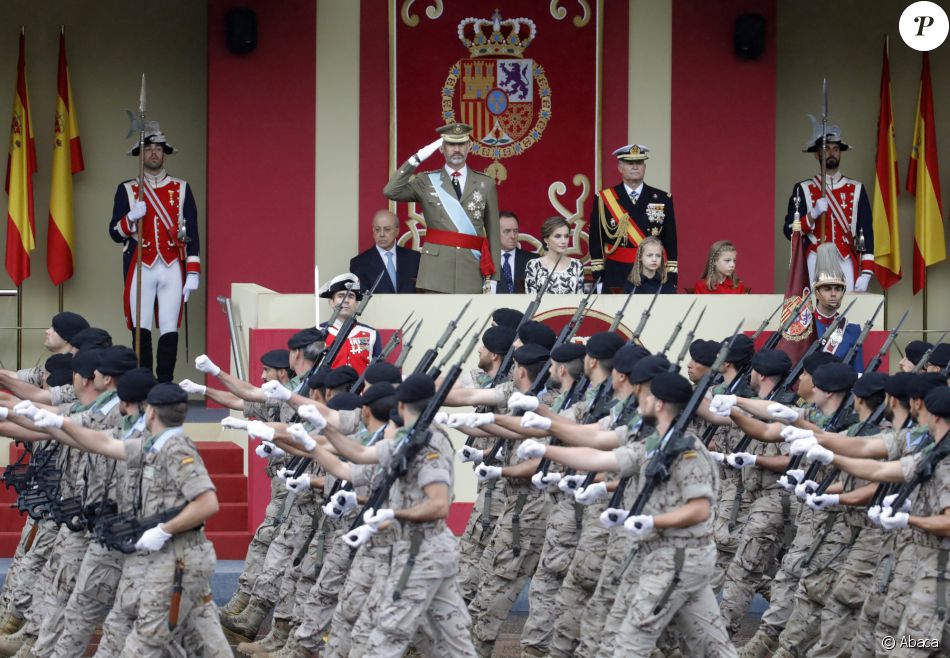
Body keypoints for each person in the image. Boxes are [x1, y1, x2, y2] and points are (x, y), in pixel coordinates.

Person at [108, 122, 200, 382]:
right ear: (140, 154)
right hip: (141, 264)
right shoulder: (127, 189)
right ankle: (144, 381)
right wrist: (130, 218)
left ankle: (165, 383)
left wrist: (193, 272)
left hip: (172, 265)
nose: (153, 153)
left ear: (164, 153)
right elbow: (115, 233)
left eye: (158, 148)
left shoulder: (181, 188)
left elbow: (191, 231)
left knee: (170, 327)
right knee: (141, 328)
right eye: (148, 148)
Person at [384, 122, 500, 293]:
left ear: (469, 146)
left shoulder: (485, 183)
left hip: (472, 271)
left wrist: (494, 278)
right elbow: (391, 191)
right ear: (441, 148)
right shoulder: (426, 181)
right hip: (436, 273)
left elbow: (493, 233)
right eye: (451, 144)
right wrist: (417, 158)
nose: (457, 149)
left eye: (461, 144)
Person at [782, 117, 874, 291]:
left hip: (845, 257)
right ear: (817, 154)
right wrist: (812, 215)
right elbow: (789, 231)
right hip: (814, 258)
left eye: (836, 149)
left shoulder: (857, 189)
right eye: (826, 149)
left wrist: (867, 272)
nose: (832, 153)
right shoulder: (803, 189)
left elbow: (867, 231)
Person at [588, 144, 677, 292]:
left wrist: (672, 277)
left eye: (639, 163)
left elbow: (670, 240)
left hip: (652, 273)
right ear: (620, 167)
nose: (635, 167)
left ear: (645, 167)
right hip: (617, 272)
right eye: (630, 163)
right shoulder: (604, 198)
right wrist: (599, 278)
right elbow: (596, 242)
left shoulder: (662, 198)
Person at [811, 243, 864, 371]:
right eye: (827, 289)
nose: (834, 294)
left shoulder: (852, 330)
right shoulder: (805, 328)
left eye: (838, 289)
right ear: (817, 292)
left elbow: (858, 372)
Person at [317, 273, 381, 373]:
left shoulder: (371, 333)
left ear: (357, 303)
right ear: (331, 302)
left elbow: (378, 371)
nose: (346, 300)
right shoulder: (318, 332)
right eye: (341, 296)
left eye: (351, 296)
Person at [349, 209, 420, 294]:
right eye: (377, 229)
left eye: (387, 229)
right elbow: (361, 298)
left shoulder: (414, 258)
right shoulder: (359, 263)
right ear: (373, 230)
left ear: (397, 231)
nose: (381, 234)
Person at [524, 217, 584, 294]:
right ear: (546, 239)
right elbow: (530, 300)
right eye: (557, 236)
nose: (563, 241)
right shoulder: (533, 265)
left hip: (570, 306)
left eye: (566, 236)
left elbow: (579, 299)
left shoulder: (577, 265)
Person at [495, 211, 538, 294]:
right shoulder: (486, 259)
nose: (513, 236)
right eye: (507, 231)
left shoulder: (533, 260)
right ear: (496, 233)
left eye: (515, 231)